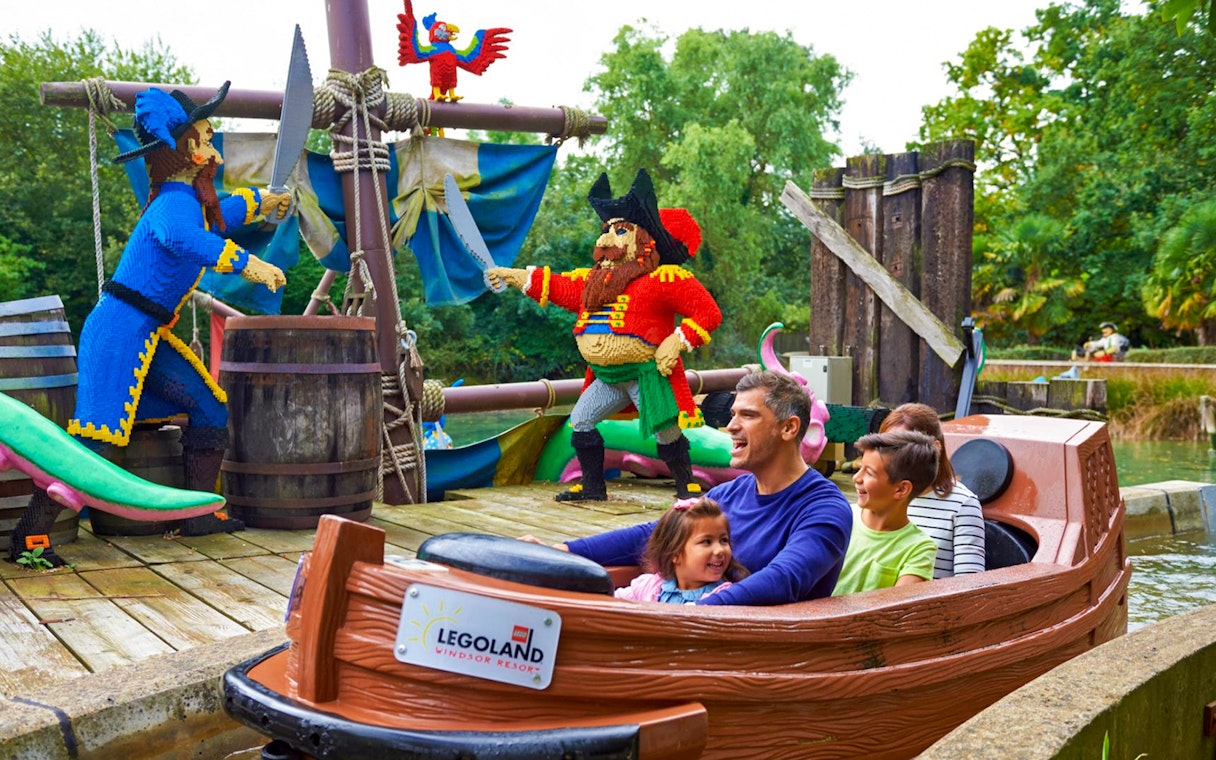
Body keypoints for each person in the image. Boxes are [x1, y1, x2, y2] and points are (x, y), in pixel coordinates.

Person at [9, 82, 289, 567]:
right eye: (201, 139)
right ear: (180, 152)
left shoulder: (190, 200)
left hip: (146, 334)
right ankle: (29, 537)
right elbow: (188, 240)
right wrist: (249, 265)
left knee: (208, 406)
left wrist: (263, 201)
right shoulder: (172, 206)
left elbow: (218, 216)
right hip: (118, 335)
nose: (211, 151)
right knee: (93, 441)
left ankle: (197, 516)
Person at [487, 168, 722, 502]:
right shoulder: (593, 281)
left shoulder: (665, 278)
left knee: (665, 430)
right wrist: (512, 275)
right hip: (608, 376)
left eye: (620, 230)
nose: (605, 240)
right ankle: (594, 487)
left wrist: (677, 340)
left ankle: (687, 485)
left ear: (644, 240)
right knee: (581, 420)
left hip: (646, 375)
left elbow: (708, 313)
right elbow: (557, 286)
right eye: (606, 230)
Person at [526, 370, 853, 606]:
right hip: (696, 632)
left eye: (748, 416)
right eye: (732, 414)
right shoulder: (729, 494)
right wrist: (563, 552)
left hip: (758, 651)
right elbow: (654, 534)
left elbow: (784, 579)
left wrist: (694, 613)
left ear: (789, 428)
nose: (731, 426)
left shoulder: (823, 507)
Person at [880, 403, 986, 578]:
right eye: (884, 447)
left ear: (935, 448)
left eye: (900, 448)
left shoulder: (963, 505)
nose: (889, 458)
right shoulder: (878, 495)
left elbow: (969, 587)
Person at [832, 430, 939, 596]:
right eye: (860, 468)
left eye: (869, 472)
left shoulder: (919, 548)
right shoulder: (841, 517)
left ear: (901, 489)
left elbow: (898, 609)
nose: (856, 478)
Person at [614, 497, 749, 604]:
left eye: (724, 540)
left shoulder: (723, 597)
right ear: (674, 553)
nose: (720, 550)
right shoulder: (650, 587)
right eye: (706, 542)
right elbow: (611, 602)